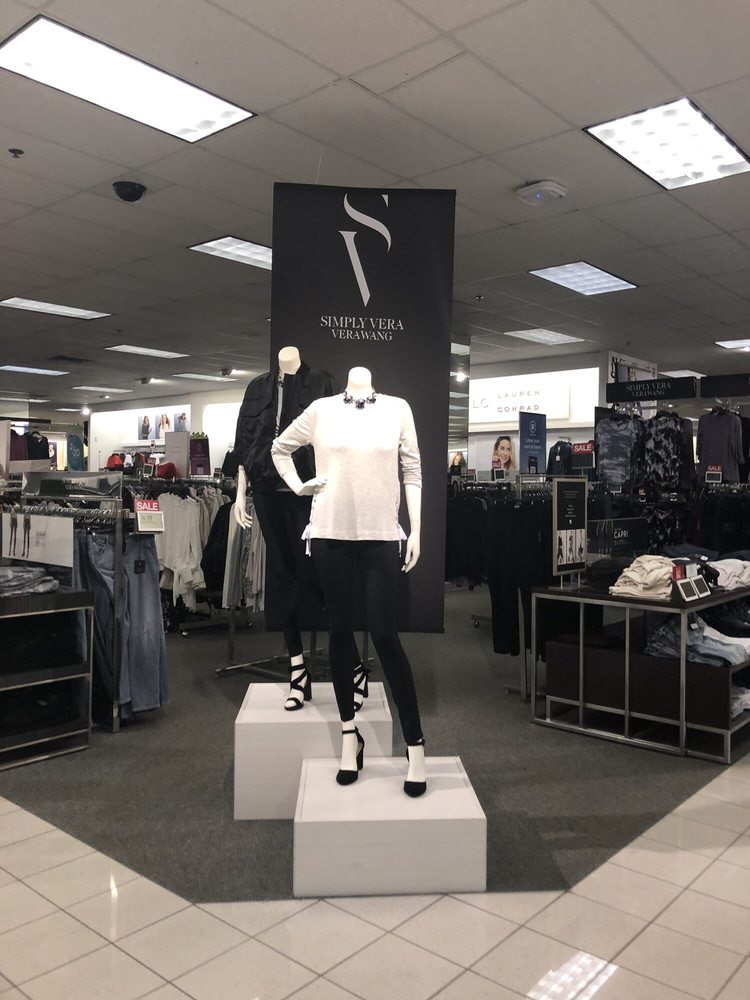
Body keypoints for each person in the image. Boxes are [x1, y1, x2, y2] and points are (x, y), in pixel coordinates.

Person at [272, 366, 427, 797]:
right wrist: (299, 486)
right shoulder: (321, 410)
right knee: (339, 631)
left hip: (380, 535)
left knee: (384, 634)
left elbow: (412, 470)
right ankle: (348, 734)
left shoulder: (397, 409)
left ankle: (415, 743)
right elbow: (279, 448)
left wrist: (416, 529)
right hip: (329, 534)